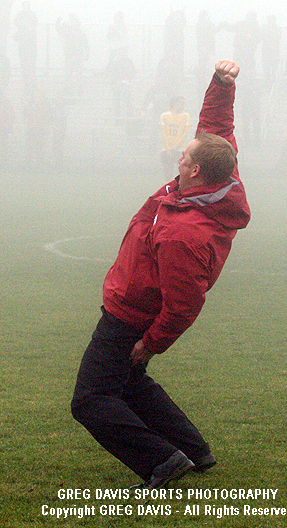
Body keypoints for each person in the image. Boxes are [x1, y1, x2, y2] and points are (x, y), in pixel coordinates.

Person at [71, 60, 250, 490]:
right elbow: (216, 130)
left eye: (185, 155)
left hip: (129, 316)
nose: (180, 153)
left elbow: (185, 303)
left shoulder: (181, 234)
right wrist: (221, 86)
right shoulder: (219, 175)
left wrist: (150, 344)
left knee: (91, 400)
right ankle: (194, 450)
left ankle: (163, 462)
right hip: (131, 308)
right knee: (130, 384)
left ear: (195, 172)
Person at [160, 96, 191, 181]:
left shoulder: (186, 116)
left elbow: (185, 133)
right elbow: (164, 133)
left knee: (181, 172)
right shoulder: (165, 115)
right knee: (167, 171)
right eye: (180, 103)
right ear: (174, 104)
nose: (182, 106)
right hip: (167, 148)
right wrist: (168, 148)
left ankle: (179, 191)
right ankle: (167, 189)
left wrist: (176, 145)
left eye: (183, 104)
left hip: (180, 149)